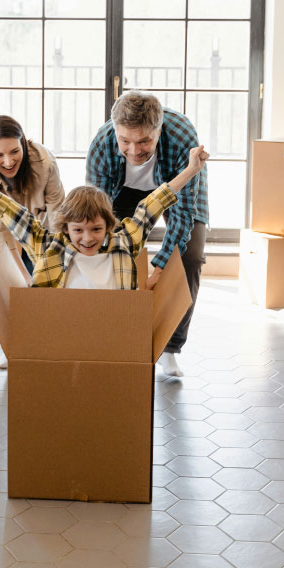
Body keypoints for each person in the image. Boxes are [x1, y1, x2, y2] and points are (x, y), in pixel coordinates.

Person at [0, 145, 207, 290]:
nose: (87, 238)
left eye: (96, 229)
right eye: (78, 230)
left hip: (112, 330)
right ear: (65, 229)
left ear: (109, 226)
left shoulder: (124, 243)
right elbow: (10, 211)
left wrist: (191, 169)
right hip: (62, 330)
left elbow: (152, 205)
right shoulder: (49, 247)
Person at [86, 91, 209, 377]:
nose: (133, 151)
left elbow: (183, 213)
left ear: (159, 130)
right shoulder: (102, 144)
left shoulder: (182, 137)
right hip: (122, 191)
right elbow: (96, 213)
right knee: (111, 253)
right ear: (115, 131)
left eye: (144, 141)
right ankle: (116, 336)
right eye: (125, 141)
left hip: (176, 187)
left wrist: (161, 266)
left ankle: (170, 347)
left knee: (189, 258)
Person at [0, 115, 65, 366]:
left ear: (23, 144)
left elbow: (57, 213)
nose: (8, 162)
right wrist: (21, 275)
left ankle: (48, 345)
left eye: (14, 151)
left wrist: (54, 259)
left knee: (46, 284)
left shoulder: (44, 162)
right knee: (10, 286)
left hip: (38, 226)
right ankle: (14, 347)